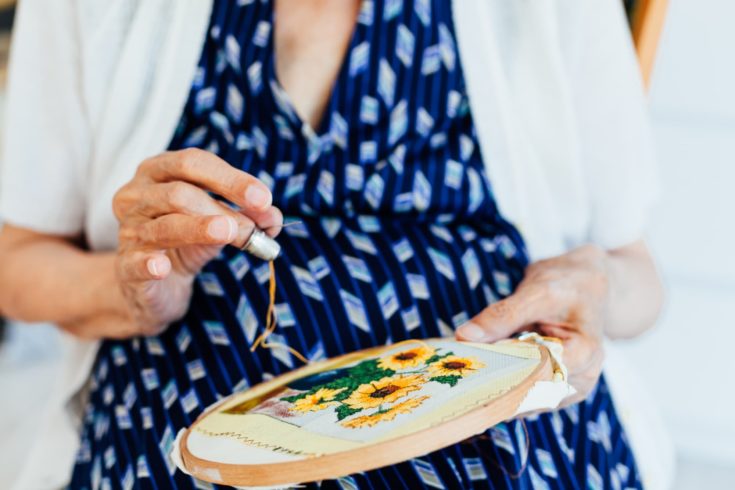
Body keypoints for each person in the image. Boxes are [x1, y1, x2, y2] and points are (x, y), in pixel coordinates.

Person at [0, 0, 664, 488]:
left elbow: (638, 280)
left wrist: (594, 285)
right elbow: (16, 263)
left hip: (494, 406)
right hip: (192, 416)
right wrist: (130, 293)